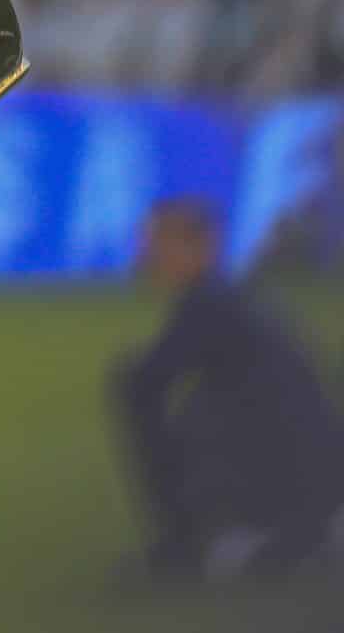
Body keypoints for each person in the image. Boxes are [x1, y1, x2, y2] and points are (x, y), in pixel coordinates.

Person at [109, 198, 344, 581]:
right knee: (195, 407)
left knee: (137, 391)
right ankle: (297, 532)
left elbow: (146, 381)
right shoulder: (234, 298)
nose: (148, 256)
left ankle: (195, 545)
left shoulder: (210, 304)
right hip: (320, 475)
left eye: (160, 244)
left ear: (201, 247)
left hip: (296, 480)